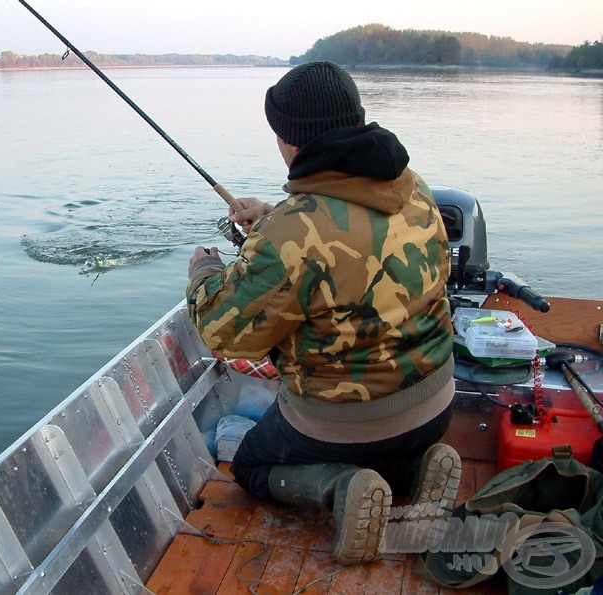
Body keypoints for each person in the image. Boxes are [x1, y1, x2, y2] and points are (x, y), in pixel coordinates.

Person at [186, 61, 459, 565]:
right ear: (356, 119)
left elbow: (224, 336)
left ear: (292, 141)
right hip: (437, 401)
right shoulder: (415, 189)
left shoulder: (293, 233)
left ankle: (343, 487)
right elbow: (351, 237)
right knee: (390, 439)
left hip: (347, 422)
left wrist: (204, 272)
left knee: (250, 466)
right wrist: (273, 219)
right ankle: (416, 471)